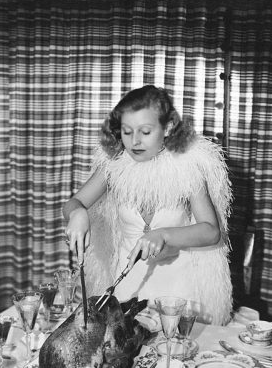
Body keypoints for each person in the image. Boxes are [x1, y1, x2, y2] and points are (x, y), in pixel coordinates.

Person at [63, 84, 233, 325]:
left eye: (145, 131)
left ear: (168, 128)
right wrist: (77, 213)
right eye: (127, 131)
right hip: (126, 290)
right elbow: (74, 202)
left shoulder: (187, 167)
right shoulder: (114, 165)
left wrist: (163, 234)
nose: (135, 141)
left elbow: (211, 231)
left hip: (177, 293)